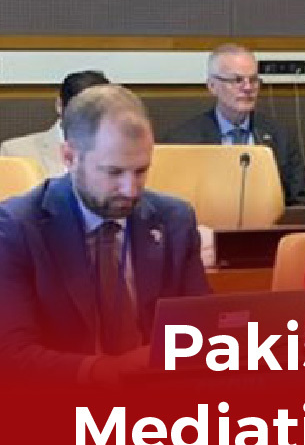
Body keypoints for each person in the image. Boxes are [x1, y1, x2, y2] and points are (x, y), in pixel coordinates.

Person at [0, 85, 210, 383]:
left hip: (156, 399)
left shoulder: (174, 219)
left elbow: (199, 328)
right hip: (62, 401)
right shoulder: (16, 227)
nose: (131, 190)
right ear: (69, 158)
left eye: (141, 171)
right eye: (114, 173)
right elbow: (11, 356)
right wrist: (105, 371)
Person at [163, 44, 305, 206]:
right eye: (237, 80)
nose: (248, 88)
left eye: (253, 80)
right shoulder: (183, 141)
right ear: (212, 86)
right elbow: (172, 207)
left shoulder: (281, 137)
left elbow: (301, 202)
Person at [0, 70, 109, 177]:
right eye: (81, 113)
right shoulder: (15, 152)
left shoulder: (123, 152)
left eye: (98, 113)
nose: (89, 121)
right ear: (59, 106)